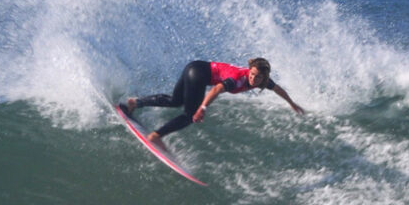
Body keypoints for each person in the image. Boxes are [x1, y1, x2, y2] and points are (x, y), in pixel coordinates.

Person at [119, 58, 305, 148]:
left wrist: (292, 103)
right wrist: (202, 108)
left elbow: (278, 89)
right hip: (199, 74)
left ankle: (135, 103)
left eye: (258, 77)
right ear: (249, 70)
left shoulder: (264, 81)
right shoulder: (238, 80)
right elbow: (216, 89)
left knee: (176, 101)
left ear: (264, 77)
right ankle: (156, 136)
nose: (253, 78)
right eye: (252, 74)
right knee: (189, 116)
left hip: (194, 66)